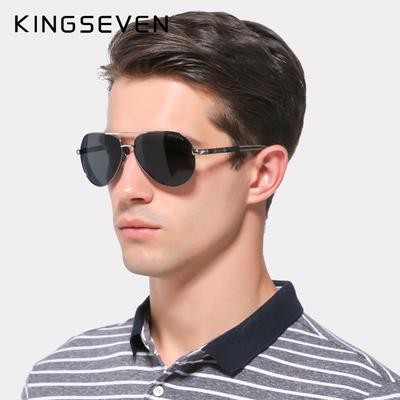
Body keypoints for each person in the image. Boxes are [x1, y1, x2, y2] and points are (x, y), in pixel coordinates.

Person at [21, 10, 399, 400]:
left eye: (167, 153)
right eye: (110, 152)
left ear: (262, 174)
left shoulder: (364, 392)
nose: (127, 187)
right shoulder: (56, 380)